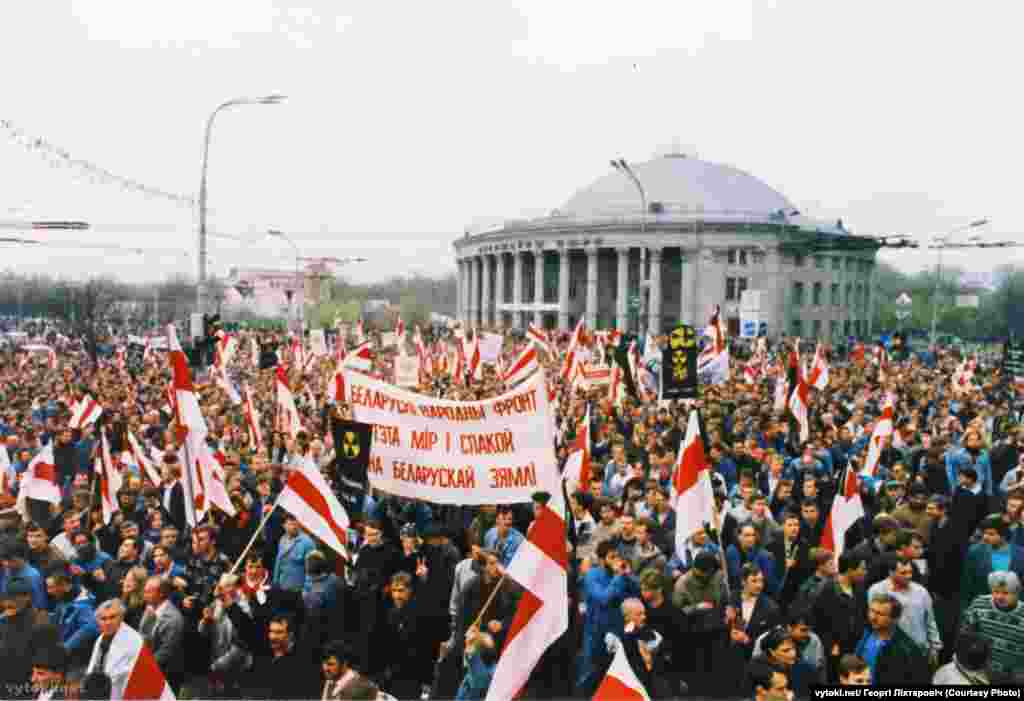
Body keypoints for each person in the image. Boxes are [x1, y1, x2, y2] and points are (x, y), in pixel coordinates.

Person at [959, 571, 1024, 679]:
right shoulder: (979, 604)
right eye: (995, 592)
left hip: (1016, 676)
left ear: (1017, 592)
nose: (999, 597)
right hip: (983, 672)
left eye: (1005, 593)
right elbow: (965, 634)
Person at [854, 594, 930, 686]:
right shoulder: (865, 632)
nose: (873, 617)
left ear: (895, 619)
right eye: (871, 611)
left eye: (880, 614)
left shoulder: (908, 650)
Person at [85, 598, 143, 699]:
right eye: (103, 619)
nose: (108, 622)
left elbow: (133, 677)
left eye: (112, 617)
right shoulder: (101, 638)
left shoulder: (134, 640)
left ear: (121, 618)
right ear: (98, 621)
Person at [139, 576, 185, 693]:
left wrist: (143, 668)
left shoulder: (173, 619)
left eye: (149, 591)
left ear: (161, 594)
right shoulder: (150, 608)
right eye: (145, 590)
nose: (144, 593)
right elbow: (143, 636)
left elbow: (166, 652)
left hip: (166, 676)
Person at [45, 571, 99, 670]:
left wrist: (67, 647)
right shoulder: (63, 599)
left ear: (65, 586)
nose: (48, 591)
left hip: (77, 662)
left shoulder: (84, 606)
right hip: (63, 656)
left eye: (51, 587)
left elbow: (91, 628)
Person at [273, 514, 316, 593]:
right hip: (283, 586)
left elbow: (312, 568)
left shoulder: (307, 542)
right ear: (284, 526)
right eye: (290, 524)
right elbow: (278, 562)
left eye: (295, 524)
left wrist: (307, 589)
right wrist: (275, 581)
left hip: (299, 590)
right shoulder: (282, 540)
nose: (294, 527)